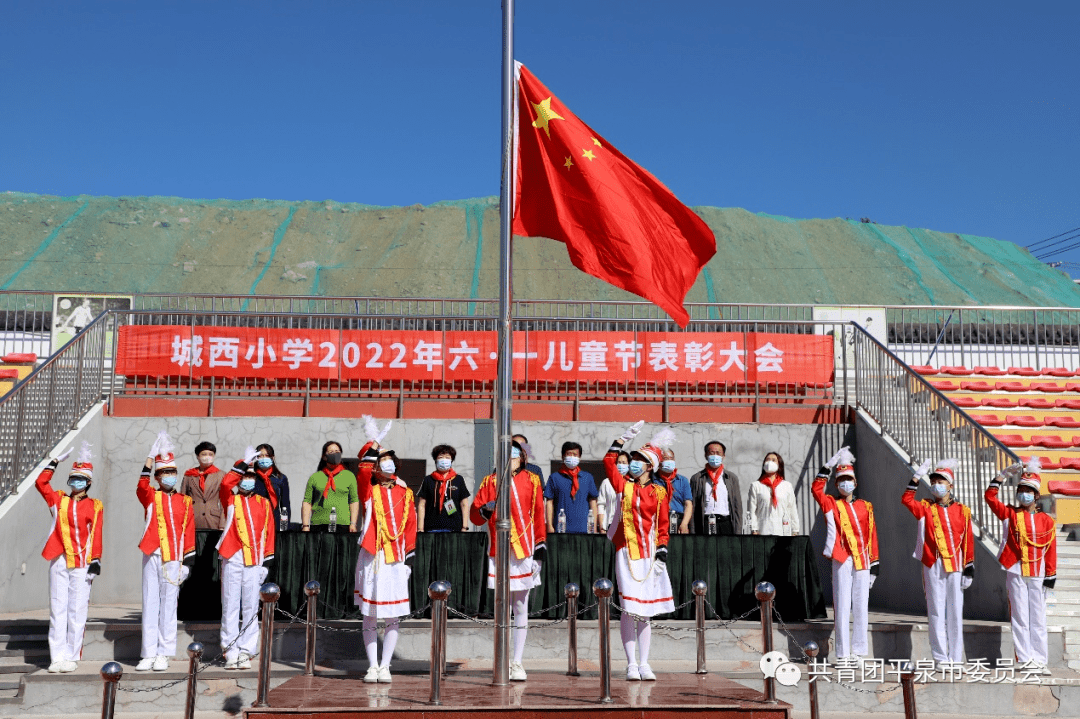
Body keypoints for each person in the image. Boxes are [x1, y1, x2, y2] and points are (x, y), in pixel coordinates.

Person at [470, 440, 546, 681]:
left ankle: (517, 661)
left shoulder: (533, 480)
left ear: (522, 457)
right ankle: (501, 657)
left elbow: (539, 515)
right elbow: (475, 514)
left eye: (515, 453)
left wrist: (540, 548)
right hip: (499, 549)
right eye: (507, 452)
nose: (511, 457)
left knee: (521, 605)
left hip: (524, 549)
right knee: (501, 606)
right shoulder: (490, 481)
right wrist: (484, 510)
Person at [605, 421, 674, 682]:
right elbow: (610, 462)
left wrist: (662, 553)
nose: (632, 463)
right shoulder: (624, 485)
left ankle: (644, 663)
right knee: (628, 608)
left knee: (645, 612)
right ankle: (631, 664)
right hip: (626, 553)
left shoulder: (659, 491)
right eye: (633, 459)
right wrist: (623, 439)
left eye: (639, 460)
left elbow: (663, 525)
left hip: (650, 555)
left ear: (650, 466)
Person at [354, 440, 418, 682]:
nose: (387, 463)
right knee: (370, 614)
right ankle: (372, 666)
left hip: (396, 557)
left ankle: (386, 665)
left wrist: (409, 559)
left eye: (390, 459)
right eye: (382, 461)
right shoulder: (369, 490)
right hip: (373, 556)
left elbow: (411, 526)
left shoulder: (406, 492)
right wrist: (372, 448)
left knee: (393, 615)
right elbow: (362, 472)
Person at [36, 442, 103, 674]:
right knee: (58, 608)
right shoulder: (58, 499)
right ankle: (57, 657)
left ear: (88, 482)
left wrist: (96, 560)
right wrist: (54, 462)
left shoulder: (95, 506)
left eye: (81, 478)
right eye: (73, 477)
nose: (76, 482)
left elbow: (97, 534)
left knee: (77, 611)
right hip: (59, 558)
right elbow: (40, 483)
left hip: (82, 561)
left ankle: (72, 656)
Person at [986, 458, 1056, 673]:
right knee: (1019, 616)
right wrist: (1001, 476)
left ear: (1036, 495)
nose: (1023, 494)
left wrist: (1051, 574)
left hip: (1038, 572)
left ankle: (1040, 660)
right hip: (1015, 569)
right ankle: (1025, 660)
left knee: (1037, 616)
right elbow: (990, 498)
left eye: (1028, 490)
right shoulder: (1009, 513)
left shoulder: (1047, 520)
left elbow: (1051, 548)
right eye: (1021, 489)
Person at [902, 458, 973, 668]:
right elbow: (906, 499)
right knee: (935, 610)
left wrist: (970, 568)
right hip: (933, 563)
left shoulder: (963, 510)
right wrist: (916, 477)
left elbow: (968, 540)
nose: (936, 485)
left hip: (956, 565)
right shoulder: (925, 507)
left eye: (941, 481)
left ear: (950, 485)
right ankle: (941, 657)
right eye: (933, 481)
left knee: (955, 611)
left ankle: (956, 657)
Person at [811, 447, 879, 661]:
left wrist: (875, 565)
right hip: (841, 559)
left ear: (855, 483)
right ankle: (842, 654)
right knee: (842, 605)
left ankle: (859, 651)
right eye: (841, 480)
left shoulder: (866, 506)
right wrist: (826, 468)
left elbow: (872, 535)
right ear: (836, 484)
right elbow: (816, 489)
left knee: (861, 605)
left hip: (863, 560)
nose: (845, 483)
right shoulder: (831, 503)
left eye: (848, 479)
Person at [136, 433, 195, 672]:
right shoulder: (151, 496)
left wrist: (188, 562)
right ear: (158, 477)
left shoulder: (185, 501)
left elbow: (189, 530)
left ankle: (164, 653)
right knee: (150, 603)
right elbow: (141, 485)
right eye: (165, 473)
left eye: (173, 472)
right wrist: (150, 459)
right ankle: (148, 653)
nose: (170, 477)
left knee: (169, 606)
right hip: (153, 553)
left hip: (175, 557)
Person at [217, 448, 276, 670]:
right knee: (230, 605)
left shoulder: (263, 502)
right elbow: (224, 483)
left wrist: (266, 562)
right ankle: (230, 650)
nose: (248, 481)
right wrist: (243, 462)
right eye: (245, 478)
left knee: (250, 607)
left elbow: (270, 532)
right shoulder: (231, 499)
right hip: (233, 557)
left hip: (255, 559)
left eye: (252, 478)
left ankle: (246, 650)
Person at [302, 441, 359, 532]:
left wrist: (353, 523)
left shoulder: (349, 476)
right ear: (324, 456)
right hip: (319, 524)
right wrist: (305, 525)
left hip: (343, 524)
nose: (335, 454)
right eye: (331, 452)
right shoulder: (315, 477)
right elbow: (307, 502)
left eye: (337, 451)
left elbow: (354, 501)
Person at [545, 441, 599, 533]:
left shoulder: (587, 477)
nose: (572, 457)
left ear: (579, 458)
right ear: (563, 457)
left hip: (584, 530)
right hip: (561, 530)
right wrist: (549, 526)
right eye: (569, 454)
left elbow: (593, 502)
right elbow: (549, 502)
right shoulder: (554, 477)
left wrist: (593, 527)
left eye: (575, 455)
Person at [689, 441, 742, 535]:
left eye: (718, 453)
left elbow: (737, 506)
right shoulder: (697, 478)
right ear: (706, 455)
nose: (715, 456)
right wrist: (692, 530)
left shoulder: (731, 478)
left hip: (725, 523)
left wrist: (738, 530)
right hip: (704, 522)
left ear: (723, 456)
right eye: (711, 453)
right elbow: (692, 506)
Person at [417, 444, 471, 532]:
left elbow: (464, 504)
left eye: (447, 457)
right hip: (431, 528)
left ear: (451, 460)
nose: (444, 460)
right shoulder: (428, 479)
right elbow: (421, 504)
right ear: (435, 460)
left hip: (454, 528)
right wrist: (420, 528)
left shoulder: (458, 479)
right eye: (441, 457)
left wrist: (464, 527)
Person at [747, 452, 800, 536]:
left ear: (779, 464)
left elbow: (792, 508)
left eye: (773, 460)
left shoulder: (787, 486)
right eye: (767, 460)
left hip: (783, 531)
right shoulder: (756, 485)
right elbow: (751, 510)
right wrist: (754, 529)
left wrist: (795, 530)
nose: (769, 462)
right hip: (763, 530)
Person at [180, 441, 227, 529]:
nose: (207, 457)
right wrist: (182, 521)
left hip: (213, 520)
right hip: (193, 519)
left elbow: (224, 501)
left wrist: (222, 525)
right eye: (204, 454)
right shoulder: (189, 475)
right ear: (198, 457)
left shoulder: (221, 475)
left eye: (210, 454)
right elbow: (182, 499)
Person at [652, 434, 693, 535]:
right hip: (657, 521)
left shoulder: (682, 480)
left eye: (671, 458)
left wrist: (684, 524)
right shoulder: (651, 479)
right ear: (659, 461)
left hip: (678, 520)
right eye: (665, 458)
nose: (669, 461)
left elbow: (688, 504)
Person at [252, 443, 291, 530]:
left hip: (274, 521)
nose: (264, 458)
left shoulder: (280, 478)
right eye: (260, 456)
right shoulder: (251, 477)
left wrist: (284, 527)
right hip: (254, 521)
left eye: (267, 455)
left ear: (273, 458)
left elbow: (285, 505)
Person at [597, 450, 630, 532]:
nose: (621, 465)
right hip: (610, 526)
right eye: (619, 462)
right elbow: (601, 505)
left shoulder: (633, 483)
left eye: (624, 462)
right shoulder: (606, 482)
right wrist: (602, 528)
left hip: (628, 528)